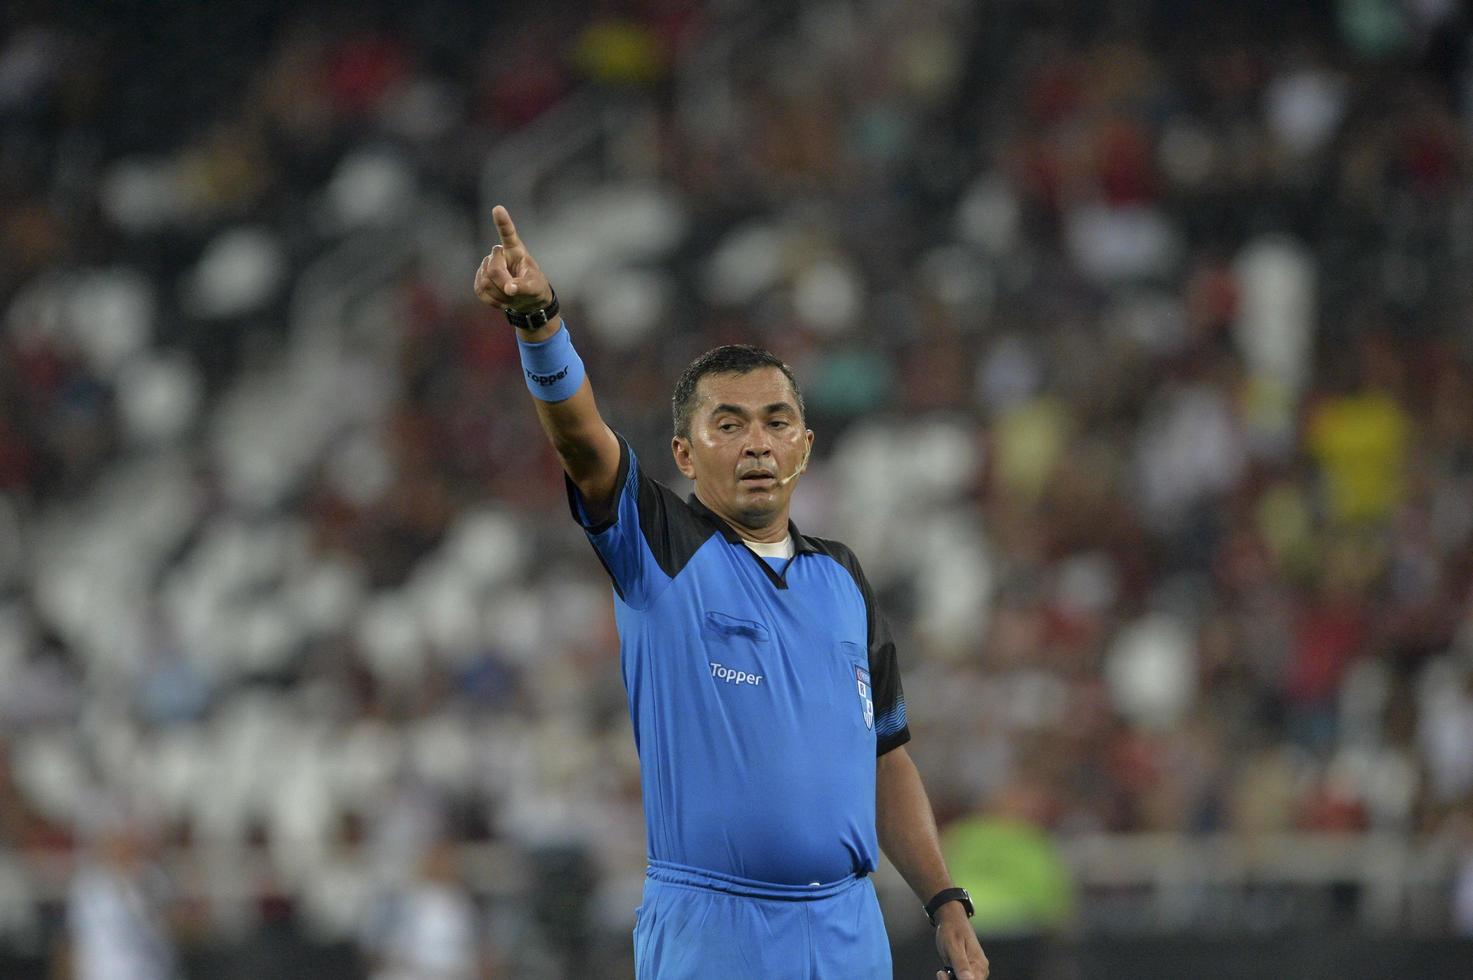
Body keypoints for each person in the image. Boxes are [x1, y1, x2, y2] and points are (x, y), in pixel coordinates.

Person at [474, 205, 989, 980]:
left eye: (777, 422)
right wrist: (540, 326)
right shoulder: (659, 547)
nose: (756, 442)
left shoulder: (843, 577)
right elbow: (582, 440)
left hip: (848, 929)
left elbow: (886, 756)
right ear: (683, 451)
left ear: (804, 448)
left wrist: (944, 903)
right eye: (729, 423)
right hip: (715, 929)